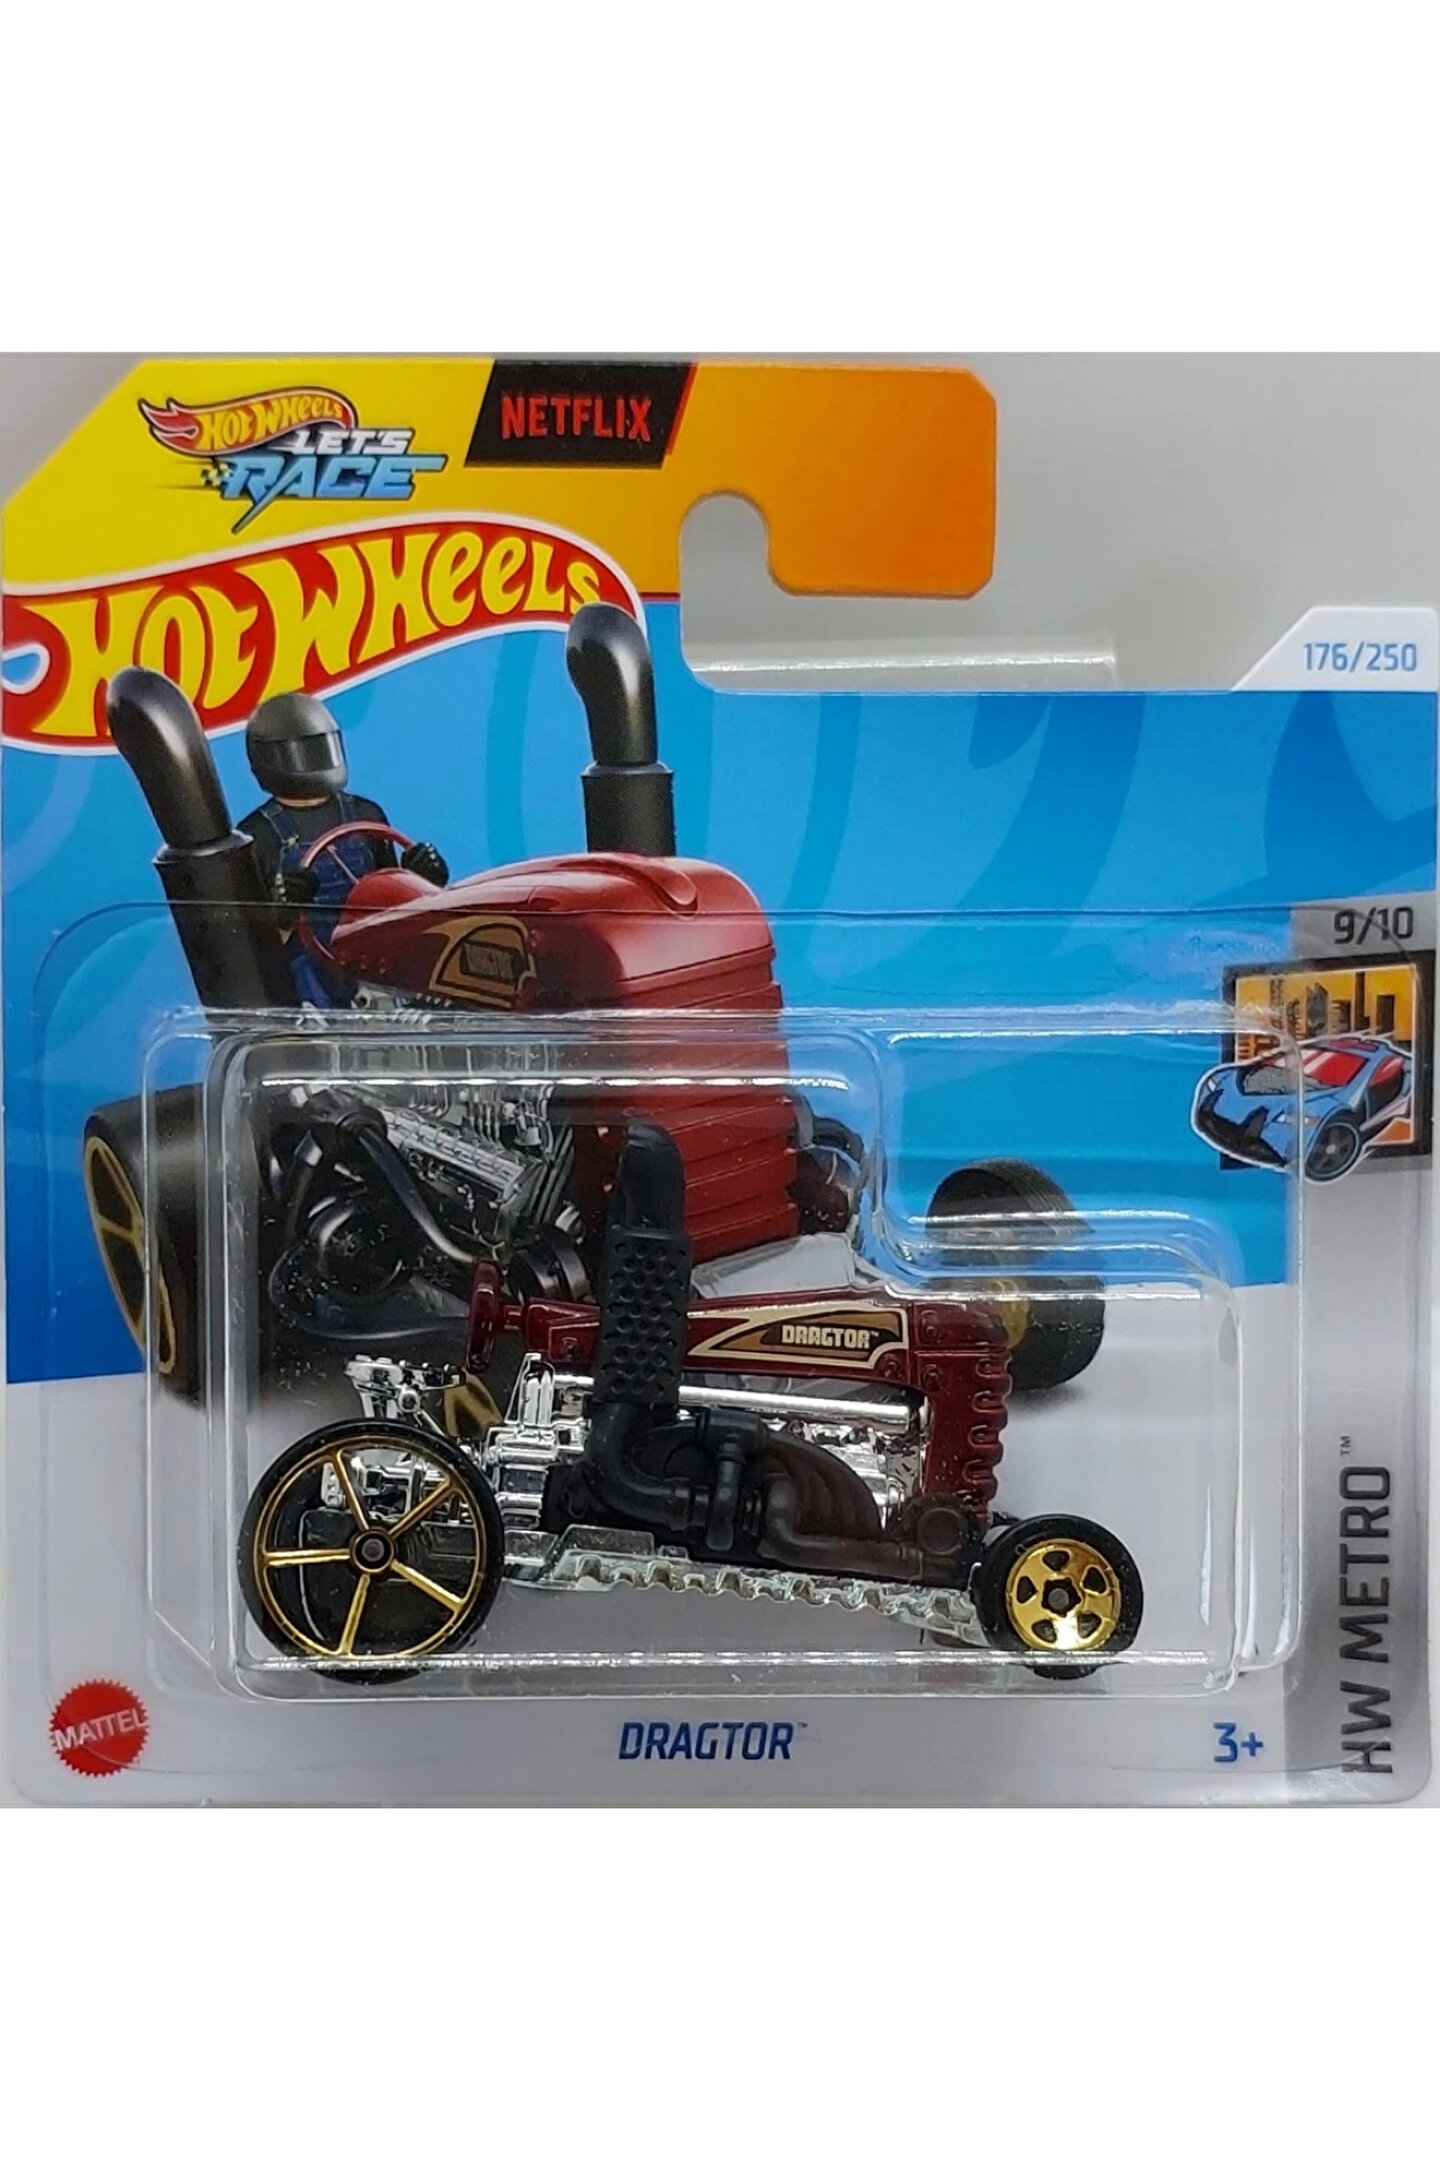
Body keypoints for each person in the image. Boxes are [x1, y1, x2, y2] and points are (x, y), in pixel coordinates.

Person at [239, 691, 448, 1007]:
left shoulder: (366, 815)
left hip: (374, 969)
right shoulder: (256, 836)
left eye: (319, 748)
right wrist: (282, 913)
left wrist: (424, 882)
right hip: (307, 987)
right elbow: (251, 957)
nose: (312, 760)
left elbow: (395, 911)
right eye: (300, 752)